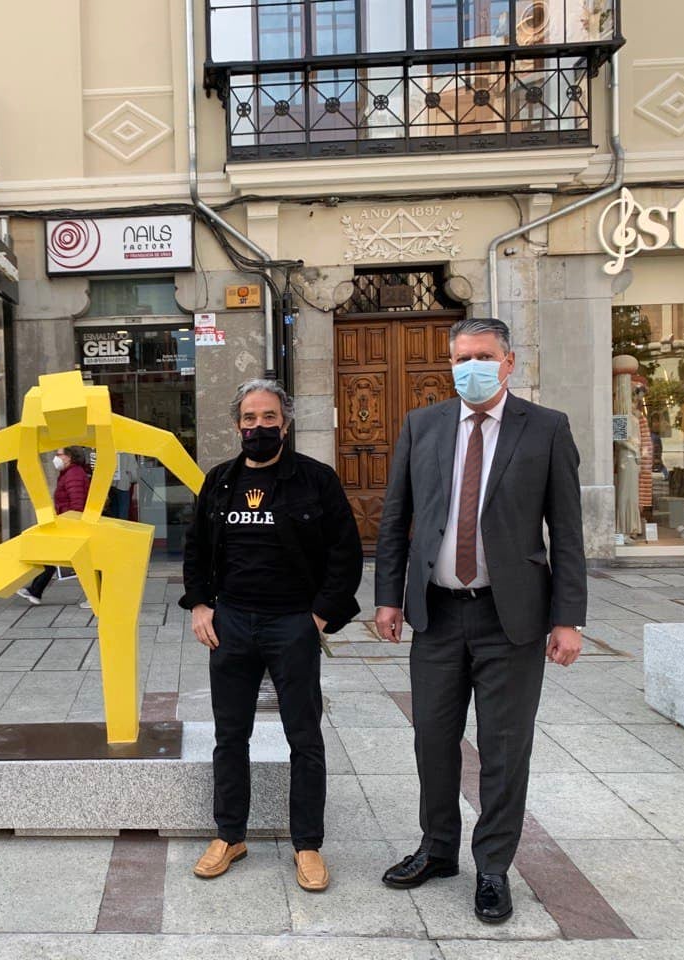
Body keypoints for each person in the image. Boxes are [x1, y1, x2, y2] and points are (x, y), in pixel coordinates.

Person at [373, 317, 586, 925]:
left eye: (484, 356)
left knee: (503, 747)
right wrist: (389, 598)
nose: (472, 366)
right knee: (432, 741)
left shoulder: (545, 429)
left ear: (508, 362)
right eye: (462, 357)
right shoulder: (423, 425)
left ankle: (492, 866)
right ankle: (438, 850)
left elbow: (567, 533)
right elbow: (395, 519)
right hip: (435, 615)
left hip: (510, 618)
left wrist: (568, 618)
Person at [181, 379, 363, 893]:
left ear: (285, 423)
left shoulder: (316, 480)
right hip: (232, 624)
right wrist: (199, 605)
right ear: (237, 424)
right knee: (229, 735)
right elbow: (195, 549)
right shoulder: (218, 482)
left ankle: (307, 845)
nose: (257, 427)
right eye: (248, 418)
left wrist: (321, 618)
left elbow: (345, 553)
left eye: (267, 418)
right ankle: (229, 836)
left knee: (304, 737)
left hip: (293, 624)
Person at [16, 446, 92, 606]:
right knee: (53, 555)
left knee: (85, 563)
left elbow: (77, 503)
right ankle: (35, 591)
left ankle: (96, 596)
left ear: (69, 457)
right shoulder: (69, 473)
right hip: (67, 522)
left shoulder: (73, 475)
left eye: (58, 454)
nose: (55, 458)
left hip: (71, 523)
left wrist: (69, 524)